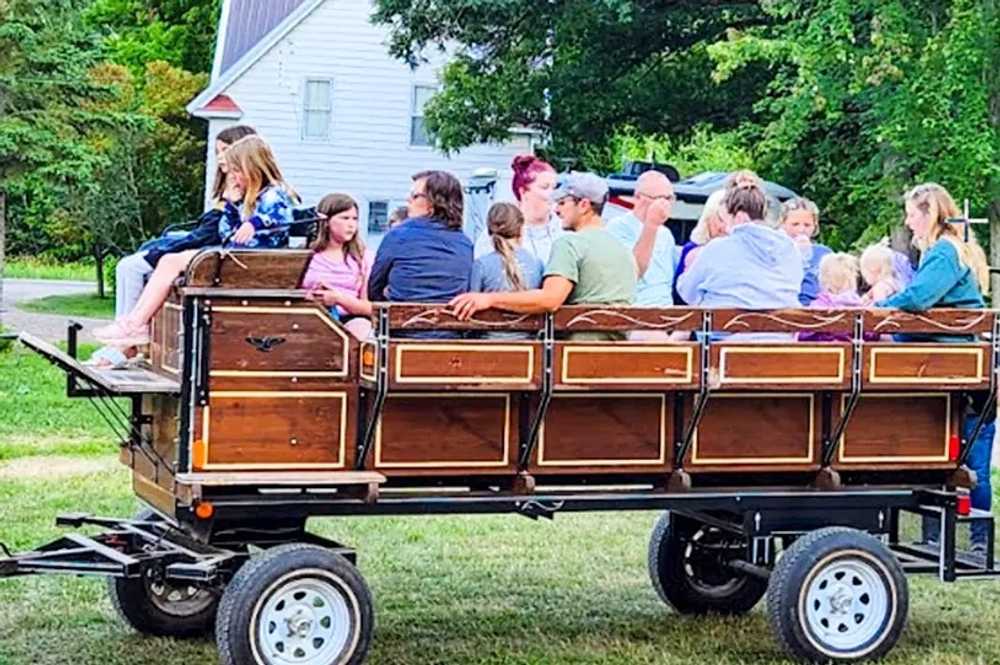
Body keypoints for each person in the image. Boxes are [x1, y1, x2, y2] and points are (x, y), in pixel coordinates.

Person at [93, 135, 298, 346]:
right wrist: (232, 206)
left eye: (237, 171)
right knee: (168, 260)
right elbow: (226, 231)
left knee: (172, 261)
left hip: (254, 263)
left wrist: (253, 223)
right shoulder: (247, 199)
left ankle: (136, 324)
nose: (234, 178)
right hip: (236, 259)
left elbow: (278, 217)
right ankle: (134, 323)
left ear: (254, 168)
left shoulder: (274, 194)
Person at [878, 183, 992, 552]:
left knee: (970, 457)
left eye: (912, 215)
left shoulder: (943, 252)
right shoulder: (946, 250)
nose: (909, 223)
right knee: (946, 454)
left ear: (930, 214)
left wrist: (880, 310)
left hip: (954, 365)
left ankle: (975, 541)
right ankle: (943, 537)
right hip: (952, 362)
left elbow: (919, 297)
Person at [450, 172, 637, 341]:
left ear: (584, 205)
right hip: (616, 350)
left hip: (575, 352)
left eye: (563, 203)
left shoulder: (570, 244)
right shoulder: (623, 249)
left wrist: (489, 299)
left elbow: (550, 299)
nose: (556, 210)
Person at [112, 125, 257, 320]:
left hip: (219, 257)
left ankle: (127, 338)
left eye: (225, 150)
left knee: (131, 267)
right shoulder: (230, 196)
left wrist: (156, 252)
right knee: (131, 263)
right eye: (217, 152)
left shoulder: (252, 198)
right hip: (210, 251)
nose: (220, 157)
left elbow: (207, 236)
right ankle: (124, 331)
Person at [368, 170, 472, 339]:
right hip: (450, 337)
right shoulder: (465, 243)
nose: (408, 200)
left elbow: (374, 290)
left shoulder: (397, 236)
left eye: (415, 196)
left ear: (433, 203)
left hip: (403, 335)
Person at [676, 177, 803, 311]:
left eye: (725, 219)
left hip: (726, 330)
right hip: (781, 329)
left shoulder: (717, 248)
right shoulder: (791, 248)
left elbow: (687, 292)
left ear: (739, 217)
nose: (725, 228)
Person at [302, 194, 374, 340]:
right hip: (309, 317)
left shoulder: (364, 257)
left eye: (355, 219)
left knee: (362, 330)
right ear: (326, 221)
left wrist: (339, 299)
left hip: (349, 320)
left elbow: (369, 307)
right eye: (345, 218)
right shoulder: (305, 255)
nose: (351, 225)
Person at [605, 171, 676, 317]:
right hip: (635, 313)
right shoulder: (618, 227)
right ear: (637, 198)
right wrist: (651, 225)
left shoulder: (666, 234)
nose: (665, 204)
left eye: (669, 198)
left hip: (667, 312)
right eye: (659, 198)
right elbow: (632, 273)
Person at [470, 202, 544, 339]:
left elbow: (472, 308)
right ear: (521, 229)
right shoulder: (536, 264)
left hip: (489, 344)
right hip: (529, 346)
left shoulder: (482, 265)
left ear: (489, 231)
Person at [474, 155, 562, 264]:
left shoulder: (565, 230)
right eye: (545, 187)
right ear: (523, 191)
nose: (553, 194)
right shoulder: (497, 232)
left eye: (555, 187)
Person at [673, 188, 727, 305]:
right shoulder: (691, 250)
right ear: (708, 218)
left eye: (729, 220)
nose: (724, 227)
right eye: (720, 219)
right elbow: (679, 297)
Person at [799, 253, 864, 342]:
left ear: (823, 279)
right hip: (854, 353)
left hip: (824, 353)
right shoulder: (860, 305)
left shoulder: (818, 306)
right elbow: (871, 335)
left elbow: (803, 336)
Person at [781, 197, 832, 305]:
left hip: (818, 311)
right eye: (795, 224)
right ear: (783, 224)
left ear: (815, 227)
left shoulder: (824, 254)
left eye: (807, 225)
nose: (801, 230)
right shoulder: (776, 251)